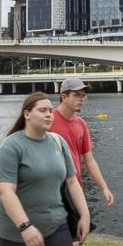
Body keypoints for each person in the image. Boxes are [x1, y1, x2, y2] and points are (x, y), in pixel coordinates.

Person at [0, 92, 90, 246]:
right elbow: (6, 191)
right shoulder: (11, 145)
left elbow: (72, 182)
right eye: (42, 110)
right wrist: (25, 226)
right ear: (27, 114)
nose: (48, 114)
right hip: (15, 232)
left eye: (51, 111)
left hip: (55, 226)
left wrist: (85, 215)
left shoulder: (58, 142)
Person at [49, 77, 114, 210]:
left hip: (75, 188)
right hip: (51, 191)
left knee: (79, 228)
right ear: (64, 97)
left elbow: (89, 161)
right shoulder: (48, 120)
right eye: (77, 95)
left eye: (83, 96)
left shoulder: (81, 124)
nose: (81, 99)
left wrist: (104, 187)